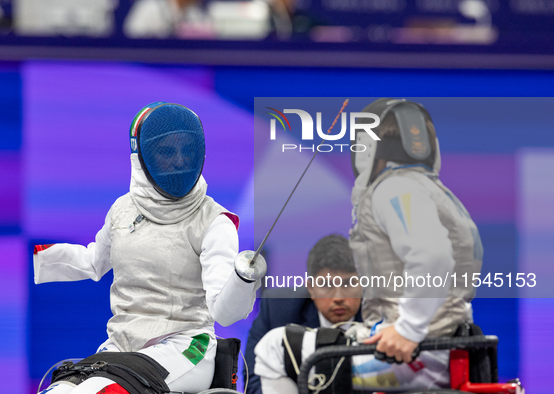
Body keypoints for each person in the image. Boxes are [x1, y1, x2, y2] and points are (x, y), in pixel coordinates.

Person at [254, 98, 482, 393]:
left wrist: (407, 330)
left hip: (413, 358)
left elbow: (433, 255)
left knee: (274, 348)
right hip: (444, 346)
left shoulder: (394, 188)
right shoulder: (439, 193)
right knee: (335, 336)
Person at [33, 102, 263, 394]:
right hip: (122, 346)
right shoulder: (123, 210)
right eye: (167, 152)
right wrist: (35, 260)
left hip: (186, 347)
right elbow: (93, 261)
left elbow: (225, 312)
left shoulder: (214, 221)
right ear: (141, 156)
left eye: (187, 151)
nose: (180, 161)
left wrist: (243, 279)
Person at [244, 234, 361, 394]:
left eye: (349, 283)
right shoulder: (278, 309)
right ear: (311, 288)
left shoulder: (386, 313)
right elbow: (254, 379)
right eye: (326, 285)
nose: (338, 297)